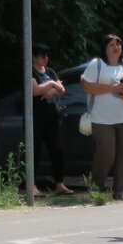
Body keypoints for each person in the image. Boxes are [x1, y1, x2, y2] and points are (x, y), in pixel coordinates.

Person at [81, 34, 123, 200]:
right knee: (106, 152)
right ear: (105, 48)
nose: (116, 47)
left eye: (118, 44)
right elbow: (85, 86)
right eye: (111, 44)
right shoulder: (97, 64)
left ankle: (121, 192)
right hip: (101, 118)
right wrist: (112, 88)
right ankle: (97, 186)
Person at [30, 43, 72, 196]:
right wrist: (53, 84)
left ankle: (59, 184)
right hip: (35, 118)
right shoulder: (30, 72)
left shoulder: (50, 71)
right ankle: (32, 186)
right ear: (34, 57)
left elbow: (62, 90)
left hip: (52, 117)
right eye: (42, 56)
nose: (45, 59)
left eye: (47, 56)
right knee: (34, 152)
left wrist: (52, 89)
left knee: (57, 150)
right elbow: (35, 90)